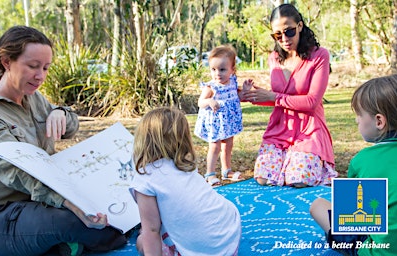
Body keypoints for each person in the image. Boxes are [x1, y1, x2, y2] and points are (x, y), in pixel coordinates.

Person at [0, 26, 126, 256]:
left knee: (119, 202)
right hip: (4, 216)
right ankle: (72, 242)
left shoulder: (34, 97)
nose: (40, 76)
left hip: (43, 205)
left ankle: (67, 245)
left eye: (46, 68)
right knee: (77, 221)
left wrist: (60, 112)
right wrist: (69, 202)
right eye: (32, 66)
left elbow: (71, 126)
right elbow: (16, 172)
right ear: (6, 61)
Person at [310, 74, 397, 255]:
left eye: (359, 114)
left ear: (379, 121)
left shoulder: (363, 161)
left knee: (318, 206)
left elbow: (356, 224)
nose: (356, 120)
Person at [242, 4, 337, 187]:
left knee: (298, 180)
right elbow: (277, 98)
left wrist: (273, 96)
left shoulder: (319, 56)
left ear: (300, 26)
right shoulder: (274, 58)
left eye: (289, 31)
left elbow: (311, 101)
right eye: (277, 35)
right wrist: (252, 95)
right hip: (280, 129)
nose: (284, 39)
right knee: (263, 179)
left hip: (309, 130)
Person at [130, 107, 241, 255]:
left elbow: (152, 230)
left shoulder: (145, 178)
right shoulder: (185, 164)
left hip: (204, 250)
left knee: (142, 240)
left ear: (142, 139)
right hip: (229, 232)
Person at [194, 44, 249, 186]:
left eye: (222, 69)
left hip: (228, 122)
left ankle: (227, 170)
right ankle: (210, 174)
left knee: (228, 145)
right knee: (215, 146)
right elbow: (200, 102)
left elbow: (238, 98)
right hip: (215, 122)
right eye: (213, 69)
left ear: (232, 69)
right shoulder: (211, 86)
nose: (217, 73)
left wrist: (246, 90)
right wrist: (209, 101)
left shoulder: (232, 83)